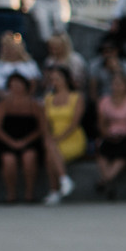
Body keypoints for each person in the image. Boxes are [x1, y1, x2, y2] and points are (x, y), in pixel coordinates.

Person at [0, 73, 55, 206]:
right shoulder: (3, 105)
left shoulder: (35, 105)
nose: (16, 87)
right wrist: (11, 142)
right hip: (7, 141)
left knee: (29, 157)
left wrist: (25, 141)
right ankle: (11, 194)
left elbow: (41, 128)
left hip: (30, 140)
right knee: (8, 159)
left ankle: (29, 194)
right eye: (12, 85)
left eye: (19, 84)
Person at [93, 73, 126, 199]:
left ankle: (105, 180)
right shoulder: (104, 101)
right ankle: (108, 180)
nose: (116, 87)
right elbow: (101, 123)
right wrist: (108, 134)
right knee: (102, 149)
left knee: (124, 150)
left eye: (119, 84)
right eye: (114, 84)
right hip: (110, 135)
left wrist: (123, 134)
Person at [40, 66, 85, 199]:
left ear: (66, 79)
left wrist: (58, 138)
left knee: (50, 149)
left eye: (58, 78)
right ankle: (61, 184)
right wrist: (50, 136)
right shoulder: (48, 98)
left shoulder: (76, 97)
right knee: (50, 152)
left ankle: (58, 187)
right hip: (54, 138)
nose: (55, 81)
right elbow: (46, 123)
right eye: (52, 79)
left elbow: (74, 123)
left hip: (72, 137)